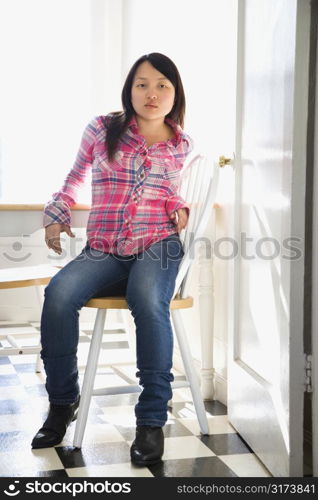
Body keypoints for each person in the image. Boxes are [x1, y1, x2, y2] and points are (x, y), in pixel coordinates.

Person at [31, 52, 194, 466]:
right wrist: (57, 211)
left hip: (159, 243)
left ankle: (151, 421)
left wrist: (181, 206)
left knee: (147, 299)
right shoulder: (103, 128)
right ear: (129, 89)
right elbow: (73, 178)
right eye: (142, 84)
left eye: (162, 85)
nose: (152, 93)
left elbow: (167, 190)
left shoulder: (182, 143)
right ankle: (62, 402)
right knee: (60, 294)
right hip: (105, 247)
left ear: (175, 93)